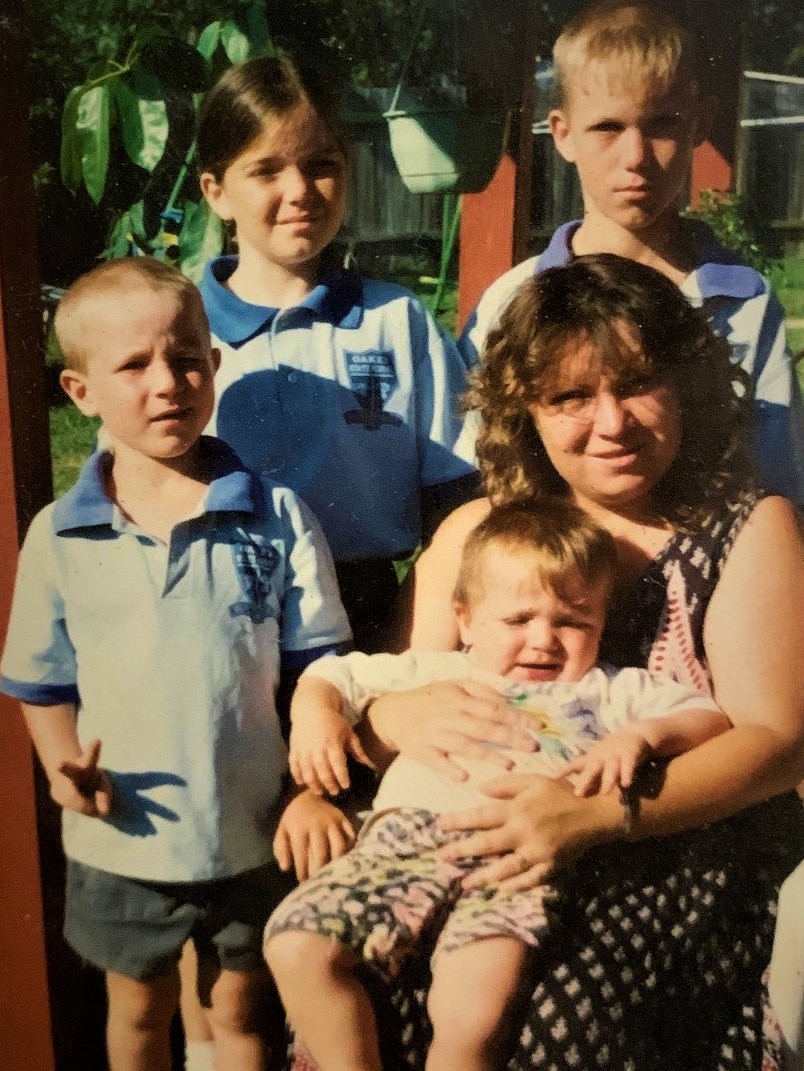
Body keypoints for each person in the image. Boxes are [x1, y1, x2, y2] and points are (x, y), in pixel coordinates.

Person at [334, 254, 804, 1071]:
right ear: (526, 409)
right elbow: (386, 687)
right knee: (362, 977)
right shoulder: (481, 530)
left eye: (638, 384)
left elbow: (778, 739)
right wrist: (386, 718)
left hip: (664, 853)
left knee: (556, 1022)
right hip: (458, 845)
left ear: (687, 387)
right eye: (571, 397)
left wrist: (599, 816)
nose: (612, 422)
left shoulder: (743, 530)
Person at [0, 257, 356, 1071]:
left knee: (239, 1005)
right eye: (133, 365)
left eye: (188, 356)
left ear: (215, 365)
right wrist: (63, 769)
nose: (169, 382)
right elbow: (40, 680)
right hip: (126, 834)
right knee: (137, 1008)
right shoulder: (62, 534)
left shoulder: (274, 514)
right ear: (79, 391)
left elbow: (320, 669)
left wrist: (307, 787)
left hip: (254, 830)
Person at [263, 499, 730, 1071]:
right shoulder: (441, 670)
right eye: (518, 620)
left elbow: (709, 718)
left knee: (472, 1012)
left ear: (602, 624)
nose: (544, 641)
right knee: (295, 942)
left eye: (574, 622)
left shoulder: (607, 690)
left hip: (516, 863)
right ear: (464, 620)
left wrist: (644, 737)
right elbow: (331, 674)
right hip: (399, 846)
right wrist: (317, 715)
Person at [458, 0, 804, 504]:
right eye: (608, 128)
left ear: (699, 123)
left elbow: (778, 482)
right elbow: (481, 475)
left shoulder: (743, 301)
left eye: (662, 124)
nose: (636, 157)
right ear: (563, 133)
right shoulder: (515, 299)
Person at [196, 55, 479, 654]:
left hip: (371, 606)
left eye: (321, 166)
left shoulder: (396, 322)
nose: (299, 191)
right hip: (217, 607)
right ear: (216, 192)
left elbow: (457, 498)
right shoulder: (181, 333)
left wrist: (418, 629)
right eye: (266, 170)